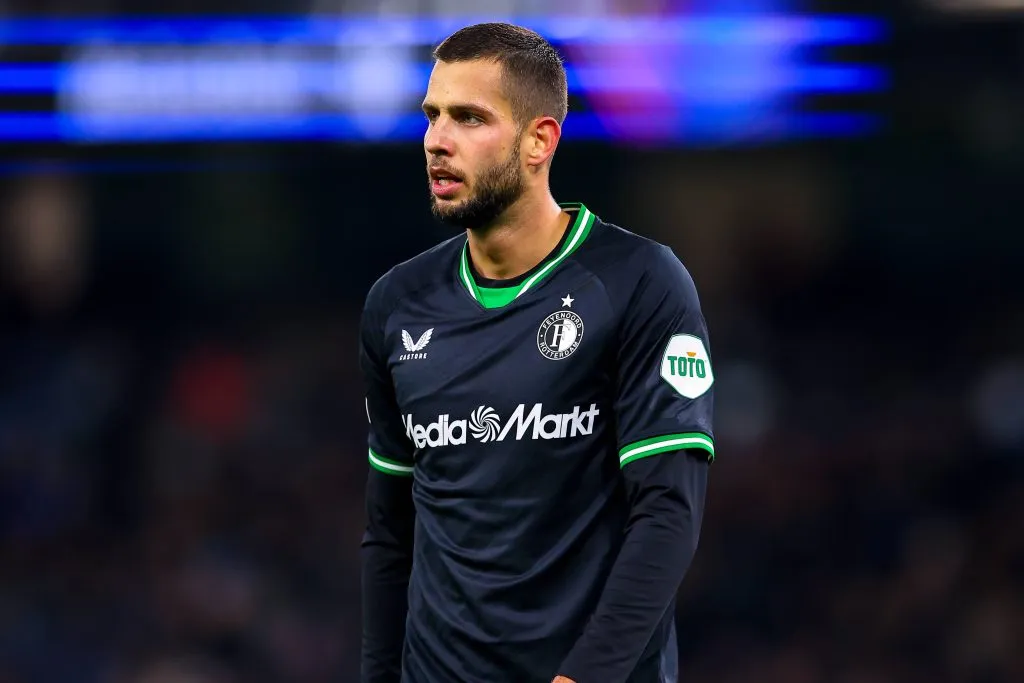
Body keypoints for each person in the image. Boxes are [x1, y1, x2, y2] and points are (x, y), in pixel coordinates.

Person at [359, 22, 714, 683]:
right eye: (432, 115)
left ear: (538, 141)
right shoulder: (396, 304)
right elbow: (390, 532)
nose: (437, 140)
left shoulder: (637, 282)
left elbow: (668, 514)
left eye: (469, 118)